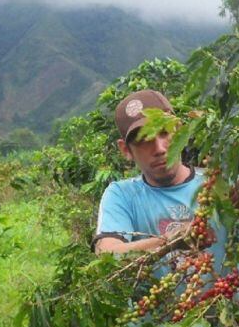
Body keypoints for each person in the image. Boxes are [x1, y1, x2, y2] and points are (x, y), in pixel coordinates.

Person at [93, 89, 227, 269]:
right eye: (144, 139)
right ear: (125, 150)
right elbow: (106, 254)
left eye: (164, 132)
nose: (159, 148)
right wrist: (170, 241)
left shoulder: (219, 183)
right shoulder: (122, 195)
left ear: (179, 131)